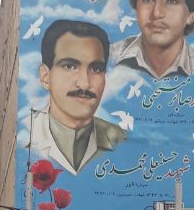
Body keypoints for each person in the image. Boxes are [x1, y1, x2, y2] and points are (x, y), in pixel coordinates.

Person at [27, 19, 128, 174]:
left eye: (96, 69)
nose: (84, 84)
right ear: (46, 77)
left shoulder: (120, 139)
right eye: (70, 66)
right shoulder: (25, 136)